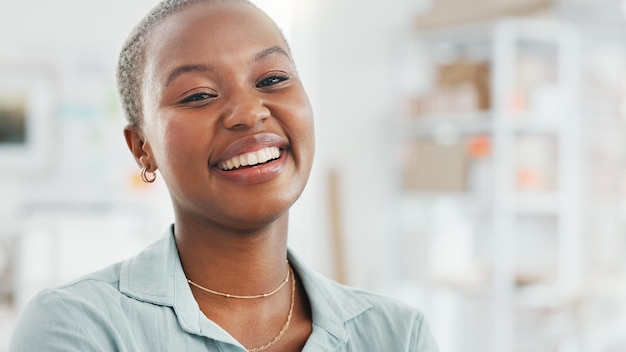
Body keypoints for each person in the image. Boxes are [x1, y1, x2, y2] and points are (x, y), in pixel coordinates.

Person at [8, 0, 440, 351]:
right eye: (198, 95)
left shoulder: (397, 335)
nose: (250, 113)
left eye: (272, 79)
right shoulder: (78, 328)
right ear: (143, 148)